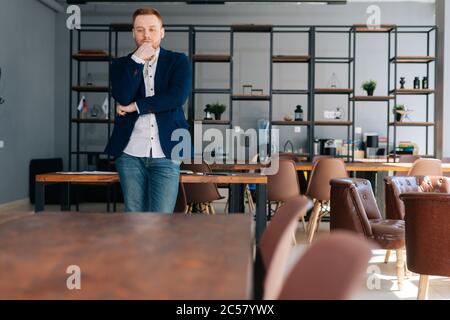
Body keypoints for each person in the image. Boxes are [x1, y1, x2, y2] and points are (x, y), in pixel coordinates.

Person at [105, 7, 192, 213]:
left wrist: (136, 106)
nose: (146, 36)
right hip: (130, 152)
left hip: (168, 151)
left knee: (160, 220)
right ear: (133, 33)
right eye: (140, 30)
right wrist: (137, 60)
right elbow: (123, 96)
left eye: (152, 29)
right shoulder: (120, 65)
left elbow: (176, 97)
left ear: (162, 32)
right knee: (134, 219)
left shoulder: (178, 61)